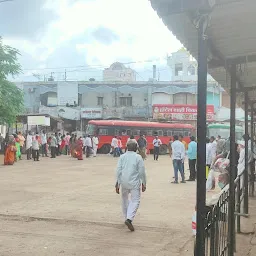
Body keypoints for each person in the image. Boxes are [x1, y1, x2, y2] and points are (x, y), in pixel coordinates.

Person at [115, 140, 146, 232]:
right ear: (136, 147)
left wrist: (117, 183)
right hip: (134, 183)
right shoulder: (138, 157)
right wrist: (144, 182)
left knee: (124, 199)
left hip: (123, 182)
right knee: (135, 200)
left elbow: (118, 170)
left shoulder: (122, 157)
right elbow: (141, 172)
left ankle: (126, 217)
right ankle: (129, 219)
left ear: (127, 147)